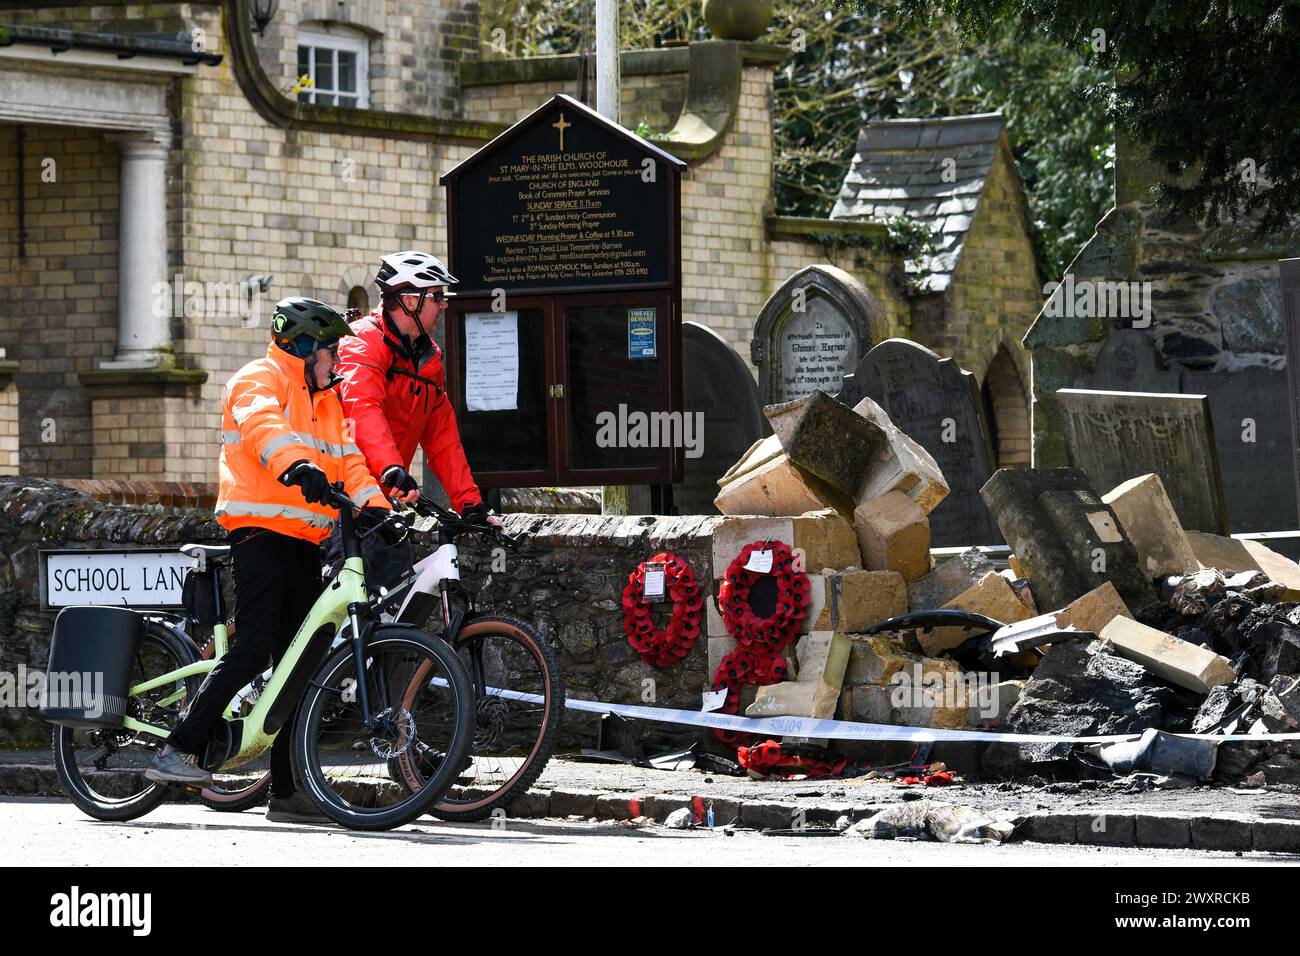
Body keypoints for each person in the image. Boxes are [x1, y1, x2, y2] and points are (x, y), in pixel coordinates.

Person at [145, 297, 391, 825]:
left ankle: (285, 791)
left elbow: (349, 460)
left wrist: (377, 507)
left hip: (306, 541)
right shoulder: (258, 378)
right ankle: (178, 748)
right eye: (329, 350)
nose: (336, 360)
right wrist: (297, 465)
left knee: (298, 662)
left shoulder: (326, 402)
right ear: (302, 347)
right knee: (255, 648)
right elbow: (262, 430)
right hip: (259, 536)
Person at [334, 251, 496, 532]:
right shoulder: (362, 342)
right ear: (410, 301)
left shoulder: (428, 358)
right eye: (437, 297)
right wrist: (391, 468)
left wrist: (469, 504)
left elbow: (443, 438)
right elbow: (362, 408)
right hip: (340, 500)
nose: (444, 305)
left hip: (381, 498)